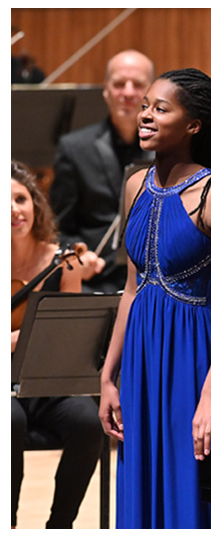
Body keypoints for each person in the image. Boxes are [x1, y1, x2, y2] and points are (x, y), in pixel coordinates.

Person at [97, 68, 211, 529]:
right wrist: (108, 376)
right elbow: (131, 289)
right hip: (143, 357)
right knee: (145, 473)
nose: (145, 115)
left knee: (195, 475)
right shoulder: (134, 186)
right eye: (146, 105)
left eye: (161, 109)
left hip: (195, 357)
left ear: (193, 125)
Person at [11, 161, 103, 529]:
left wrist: (24, 338)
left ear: (35, 204)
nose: (14, 210)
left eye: (20, 198)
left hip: (48, 381)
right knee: (9, 421)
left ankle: (60, 526)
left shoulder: (64, 261)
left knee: (88, 422)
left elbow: (70, 335)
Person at [50, 49, 155, 294]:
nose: (128, 93)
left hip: (158, 279)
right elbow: (59, 229)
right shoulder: (74, 148)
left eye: (138, 84)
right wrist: (79, 255)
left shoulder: (172, 148)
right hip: (99, 281)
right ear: (106, 90)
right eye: (119, 84)